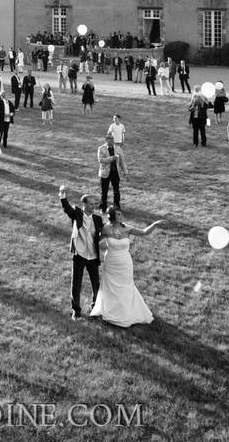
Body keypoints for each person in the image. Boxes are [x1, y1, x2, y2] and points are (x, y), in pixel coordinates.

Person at [89, 207, 165, 327]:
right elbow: (95, 241)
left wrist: (154, 224)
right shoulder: (106, 228)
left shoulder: (127, 228)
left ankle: (126, 312)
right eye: (118, 214)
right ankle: (109, 310)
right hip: (111, 263)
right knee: (110, 286)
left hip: (125, 263)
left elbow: (144, 232)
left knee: (125, 286)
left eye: (121, 214)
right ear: (112, 216)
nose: (121, 216)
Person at [59, 187, 104, 320]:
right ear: (84, 204)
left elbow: (103, 233)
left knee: (96, 284)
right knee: (76, 284)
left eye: (95, 204)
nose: (94, 206)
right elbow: (67, 208)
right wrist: (63, 196)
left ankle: (95, 308)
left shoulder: (97, 219)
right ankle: (76, 311)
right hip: (79, 255)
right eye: (91, 203)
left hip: (93, 256)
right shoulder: (77, 214)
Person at [98, 132, 127, 211]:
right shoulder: (101, 148)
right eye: (110, 138)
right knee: (104, 192)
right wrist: (112, 158)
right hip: (105, 173)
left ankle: (116, 207)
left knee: (116, 191)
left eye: (113, 138)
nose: (112, 140)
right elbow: (101, 160)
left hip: (115, 173)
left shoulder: (118, 148)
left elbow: (122, 161)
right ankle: (103, 208)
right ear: (106, 140)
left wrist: (125, 172)